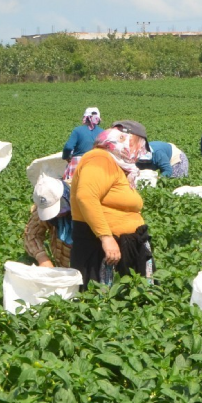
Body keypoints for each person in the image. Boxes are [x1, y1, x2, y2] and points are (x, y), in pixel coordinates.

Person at [69, 121, 153, 289]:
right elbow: (86, 196)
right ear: (125, 140)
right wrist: (106, 238)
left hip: (124, 244)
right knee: (103, 298)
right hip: (100, 247)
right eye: (138, 145)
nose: (139, 152)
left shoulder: (114, 162)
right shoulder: (99, 159)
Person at [23, 175, 73, 268]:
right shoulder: (43, 202)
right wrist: (42, 258)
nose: (56, 215)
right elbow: (31, 234)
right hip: (62, 263)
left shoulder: (85, 194)